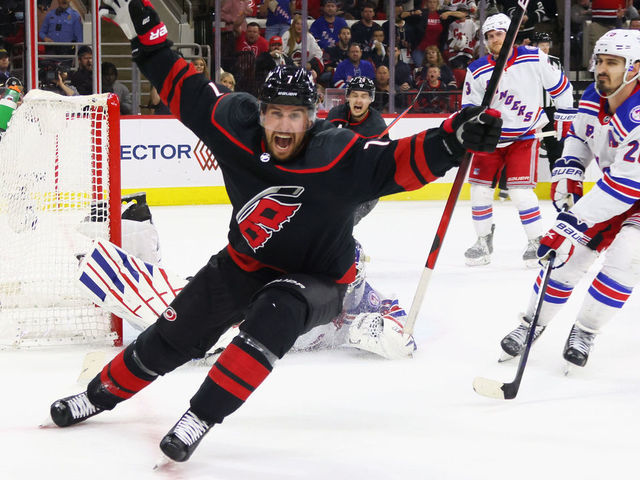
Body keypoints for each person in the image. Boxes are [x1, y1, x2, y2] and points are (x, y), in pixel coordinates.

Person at [49, 0, 501, 464]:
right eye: (275, 114)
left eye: (295, 116)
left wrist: (452, 138)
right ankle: (98, 396)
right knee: (174, 332)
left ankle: (199, 417)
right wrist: (148, 39)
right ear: (260, 113)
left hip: (321, 280)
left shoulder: (336, 154)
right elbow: (186, 90)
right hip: (244, 263)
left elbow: (396, 162)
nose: (284, 126)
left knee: (277, 308)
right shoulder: (234, 126)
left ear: (312, 118)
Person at [498, 29, 640, 370]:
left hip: (629, 189)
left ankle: (586, 331)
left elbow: (626, 185)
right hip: (614, 187)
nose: (602, 69)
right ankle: (531, 323)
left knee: (624, 261)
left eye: (613, 63)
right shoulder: (594, 94)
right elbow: (580, 135)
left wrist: (567, 225)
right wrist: (570, 172)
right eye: (600, 61)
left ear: (635, 69)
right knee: (569, 259)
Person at [461, 13, 575, 268]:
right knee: (480, 191)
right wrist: (473, 122)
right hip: (490, 139)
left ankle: (536, 241)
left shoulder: (533, 57)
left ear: (509, 35)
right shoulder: (477, 69)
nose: (494, 40)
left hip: (524, 136)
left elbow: (561, 86)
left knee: (521, 192)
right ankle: (482, 240)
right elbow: (467, 106)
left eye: (499, 34)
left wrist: (565, 116)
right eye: (490, 37)